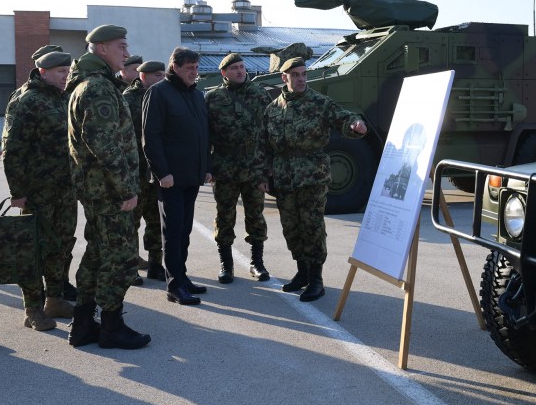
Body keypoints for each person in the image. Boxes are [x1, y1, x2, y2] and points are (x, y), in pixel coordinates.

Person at [66, 25, 149, 350]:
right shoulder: (98, 88)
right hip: (109, 191)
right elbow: (103, 144)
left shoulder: (92, 84)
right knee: (121, 257)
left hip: (99, 189)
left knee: (98, 253)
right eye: (121, 46)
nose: (126, 53)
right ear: (101, 49)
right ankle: (112, 326)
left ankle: (83, 323)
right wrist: (127, 188)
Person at [258, 57, 367, 302]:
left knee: (312, 227)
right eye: (295, 75)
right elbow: (263, 146)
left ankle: (316, 280)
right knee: (291, 227)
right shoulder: (273, 109)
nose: (301, 79)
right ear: (284, 78)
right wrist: (263, 175)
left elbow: (343, 118)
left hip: (312, 175)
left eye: (304, 74)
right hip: (285, 177)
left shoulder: (319, 102)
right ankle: (302, 273)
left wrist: (355, 125)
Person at [1, 51, 78, 332]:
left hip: (65, 189)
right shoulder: (27, 100)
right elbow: (13, 150)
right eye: (60, 72)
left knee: (62, 245)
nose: (65, 77)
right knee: (34, 249)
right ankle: (33, 309)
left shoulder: (63, 98)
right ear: (43, 71)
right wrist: (17, 191)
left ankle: (55, 299)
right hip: (37, 192)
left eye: (67, 72)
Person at [142, 47, 211, 306]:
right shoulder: (158, 93)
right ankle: (173, 287)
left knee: (184, 231)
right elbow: (151, 137)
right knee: (172, 232)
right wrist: (162, 172)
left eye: (196, 67)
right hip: (170, 178)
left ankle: (181, 278)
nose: (195, 73)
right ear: (175, 68)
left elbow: (204, 134)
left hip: (192, 176)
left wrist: (207, 167)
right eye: (189, 68)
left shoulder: (196, 95)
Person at [205, 52, 270, 283]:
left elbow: (268, 134)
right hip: (225, 168)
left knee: (256, 215)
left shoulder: (259, 94)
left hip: (254, 167)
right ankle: (226, 264)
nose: (240, 71)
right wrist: (208, 167)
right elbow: (205, 136)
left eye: (242, 67)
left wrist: (266, 170)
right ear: (224, 73)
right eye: (234, 68)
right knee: (224, 216)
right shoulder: (213, 98)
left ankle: (257, 263)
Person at [123, 60, 165, 280]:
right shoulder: (127, 100)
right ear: (143, 77)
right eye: (157, 75)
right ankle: (131, 266)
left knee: (156, 219)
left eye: (163, 75)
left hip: (157, 171)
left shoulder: (163, 97)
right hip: (136, 172)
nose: (162, 79)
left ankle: (156, 263)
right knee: (132, 221)